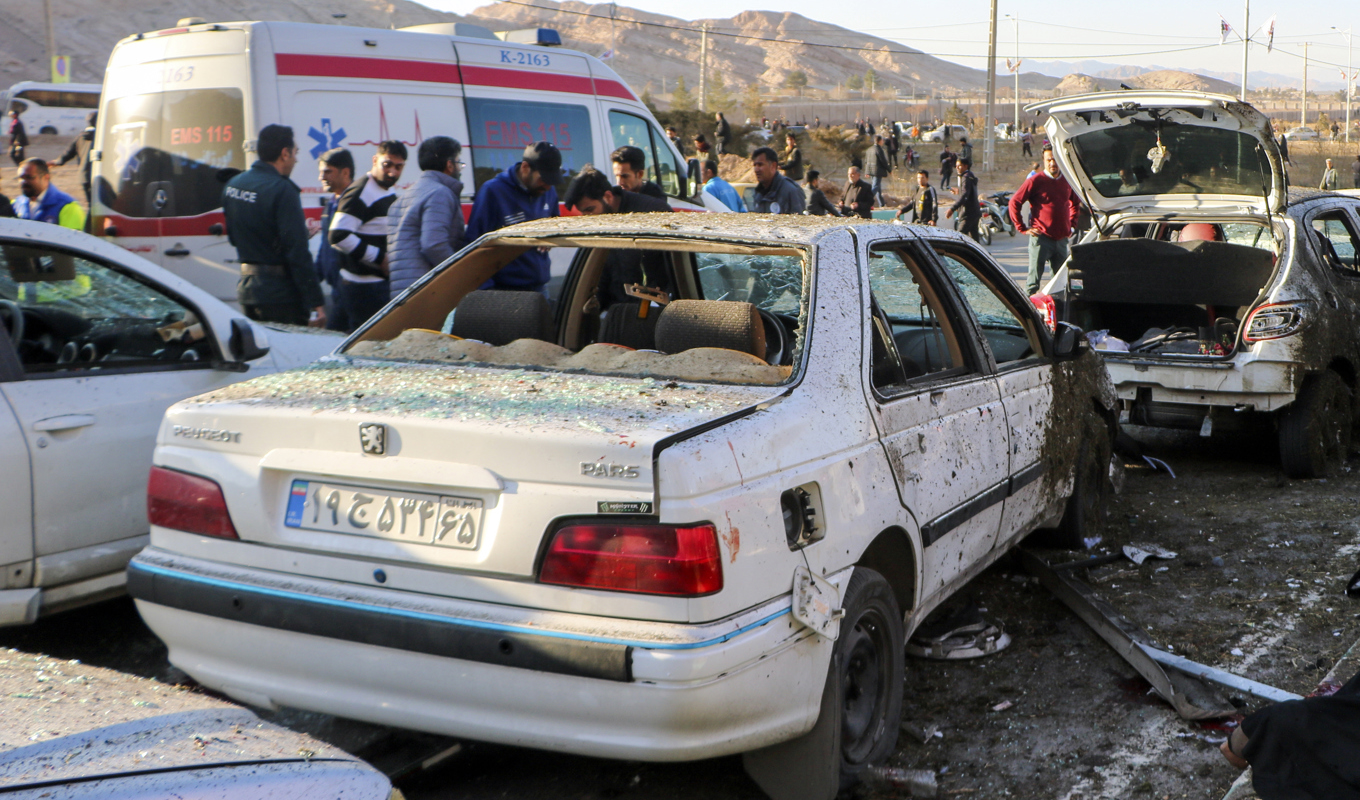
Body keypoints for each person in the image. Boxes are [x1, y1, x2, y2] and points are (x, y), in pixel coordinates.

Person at [221, 124, 326, 326]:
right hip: (281, 297)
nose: (296, 159)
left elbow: (236, 236)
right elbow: (297, 252)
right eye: (295, 152)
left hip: (248, 290)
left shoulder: (234, 184)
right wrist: (316, 302)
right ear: (284, 153)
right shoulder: (282, 189)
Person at [562, 165, 671, 310]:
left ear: (607, 197)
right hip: (616, 311)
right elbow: (601, 269)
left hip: (651, 310)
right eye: (583, 213)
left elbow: (672, 271)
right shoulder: (600, 220)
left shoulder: (651, 213)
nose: (588, 218)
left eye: (590, 210)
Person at [328, 140, 406, 331]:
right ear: (375, 160)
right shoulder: (361, 191)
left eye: (398, 167)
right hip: (364, 288)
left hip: (372, 285)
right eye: (387, 164)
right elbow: (338, 235)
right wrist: (380, 258)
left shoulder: (386, 187)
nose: (392, 172)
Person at [465, 141, 562, 293]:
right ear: (525, 168)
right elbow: (474, 245)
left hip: (540, 288)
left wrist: (551, 236)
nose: (548, 186)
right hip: (504, 291)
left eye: (552, 181)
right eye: (543, 179)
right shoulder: (493, 191)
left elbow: (556, 221)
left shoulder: (548, 191)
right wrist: (487, 290)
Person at [388, 136, 465, 300]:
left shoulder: (403, 198)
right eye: (459, 163)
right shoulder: (439, 193)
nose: (460, 168)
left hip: (402, 292)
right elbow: (434, 244)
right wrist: (459, 273)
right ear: (449, 165)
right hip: (427, 292)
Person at [1010, 144, 1081, 295]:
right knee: (1033, 283)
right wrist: (1022, 228)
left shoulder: (1067, 180)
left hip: (1061, 240)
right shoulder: (1035, 181)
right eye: (1048, 160)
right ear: (1044, 161)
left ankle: (1056, 314)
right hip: (1041, 239)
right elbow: (1014, 202)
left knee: (1060, 284)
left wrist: (1072, 225)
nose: (1052, 163)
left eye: (1055, 159)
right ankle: (1026, 314)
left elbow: (1075, 203)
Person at [314, 147, 353, 330]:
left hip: (350, 289)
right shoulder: (331, 204)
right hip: (336, 290)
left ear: (345, 172)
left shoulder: (355, 203)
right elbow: (325, 247)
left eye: (328, 171)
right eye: (321, 172)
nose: (322, 177)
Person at [13, 158, 85, 230]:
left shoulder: (68, 207)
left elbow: (72, 239)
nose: (23, 182)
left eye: (29, 177)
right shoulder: (16, 204)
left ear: (46, 177)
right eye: (20, 178)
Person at [53, 112, 96, 207]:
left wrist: (57, 161)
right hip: (97, 176)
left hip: (83, 175)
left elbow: (68, 153)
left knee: (91, 205)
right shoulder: (101, 137)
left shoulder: (80, 137)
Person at [748, 147, 805, 214]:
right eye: (755, 165)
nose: (756, 170)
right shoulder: (758, 193)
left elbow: (798, 221)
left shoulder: (791, 191)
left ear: (773, 166)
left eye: (760, 165)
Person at [945, 158, 981, 242]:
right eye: (956, 166)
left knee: (959, 237)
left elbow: (965, 195)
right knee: (974, 240)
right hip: (974, 212)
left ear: (966, 166)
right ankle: (977, 255)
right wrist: (958, 191)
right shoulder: (969, 175)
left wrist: (952, 209)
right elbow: (968, 192)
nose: (957, 167)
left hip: (968, 214)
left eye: (960, 165)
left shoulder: (966, 177)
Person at [866, 135, 890, 207]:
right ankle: (867, 200)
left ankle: (882, 204)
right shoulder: (879, 150)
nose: (883, 142)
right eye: (882, 140)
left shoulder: (869, 149)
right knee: (875, 186)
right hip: (877, 171)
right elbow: (883, 161)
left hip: (871, 171)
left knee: (878, 188)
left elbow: (866, 162)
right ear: (879, 141)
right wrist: (889, 169)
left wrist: (867, 172)